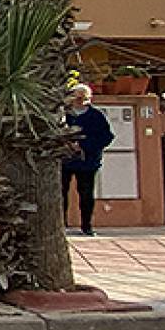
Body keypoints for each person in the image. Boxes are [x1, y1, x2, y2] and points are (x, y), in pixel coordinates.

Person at [62, 83, 114, 237]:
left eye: (82, 97)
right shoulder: (65, 115)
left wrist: (84, 145)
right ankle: (61, 224)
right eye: (77, 97)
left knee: (86, 195)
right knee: (61, 193)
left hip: (88, 161)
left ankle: (87, 226)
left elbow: (106, 137)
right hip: (65, 159)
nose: (79, 100)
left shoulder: (96, 116)